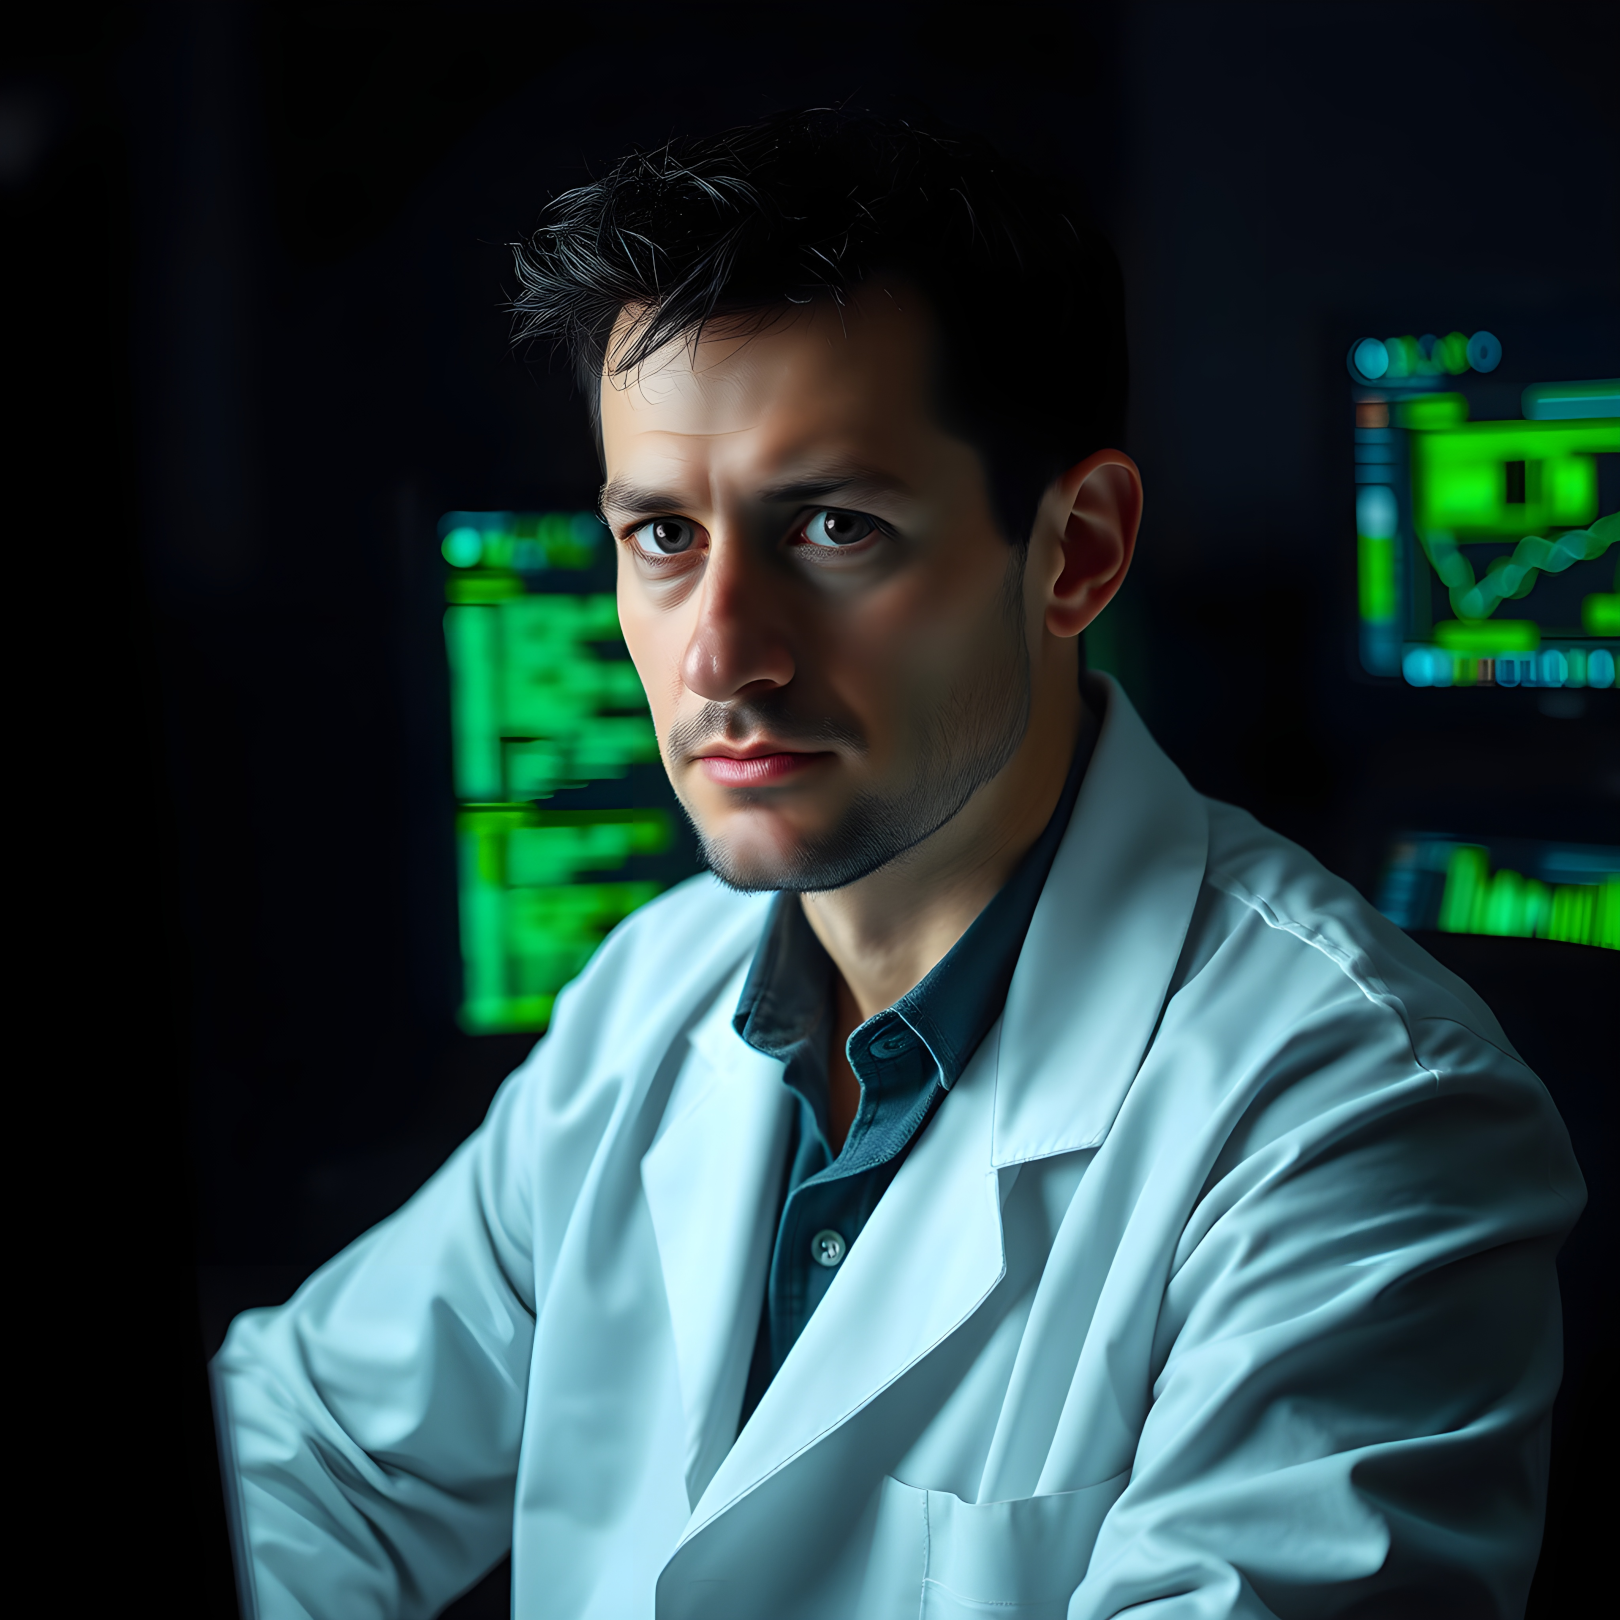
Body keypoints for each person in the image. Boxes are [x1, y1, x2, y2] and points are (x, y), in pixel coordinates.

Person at [214, 113, 1582, 1620]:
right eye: (663, 534)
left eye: (835, 526)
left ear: (1077, 553)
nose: (721, 654)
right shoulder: (649, 995)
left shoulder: (1358, 1113)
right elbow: (308, 1462)